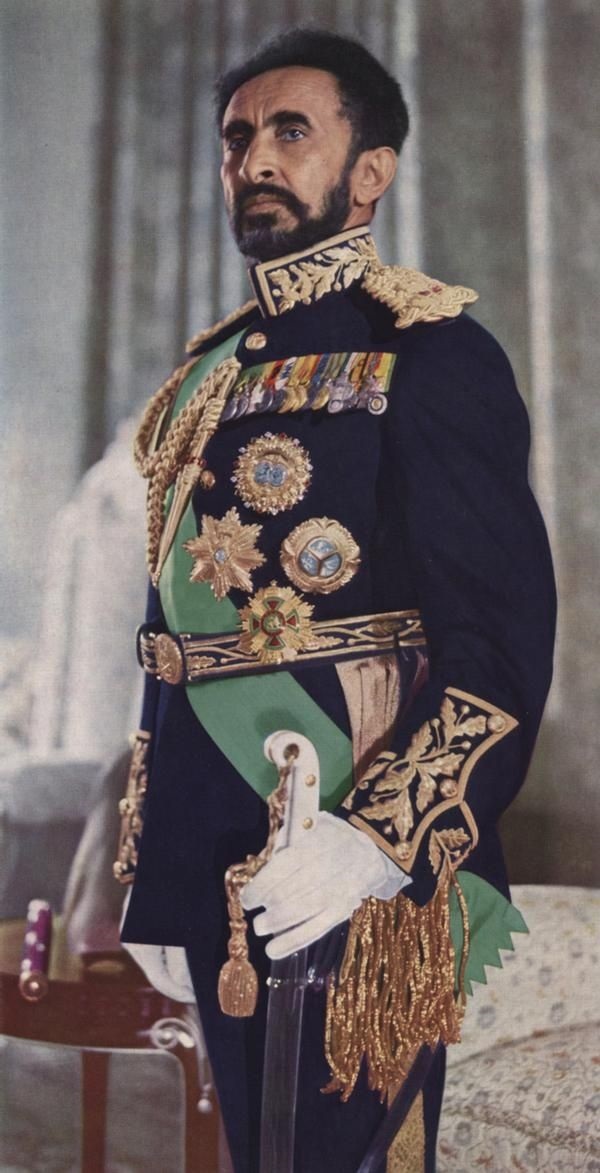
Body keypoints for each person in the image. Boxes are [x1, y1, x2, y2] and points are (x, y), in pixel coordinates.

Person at [116, 28, 556, 1173]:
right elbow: (173, 645)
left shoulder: (432, 353)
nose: (254, 159)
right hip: (213, 848)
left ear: (371, 172)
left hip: (355, 830)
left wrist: (379, 840)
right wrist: (160, 874)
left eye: (290, 131)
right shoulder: (208, 374)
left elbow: (498, 649)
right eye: (237, 139)